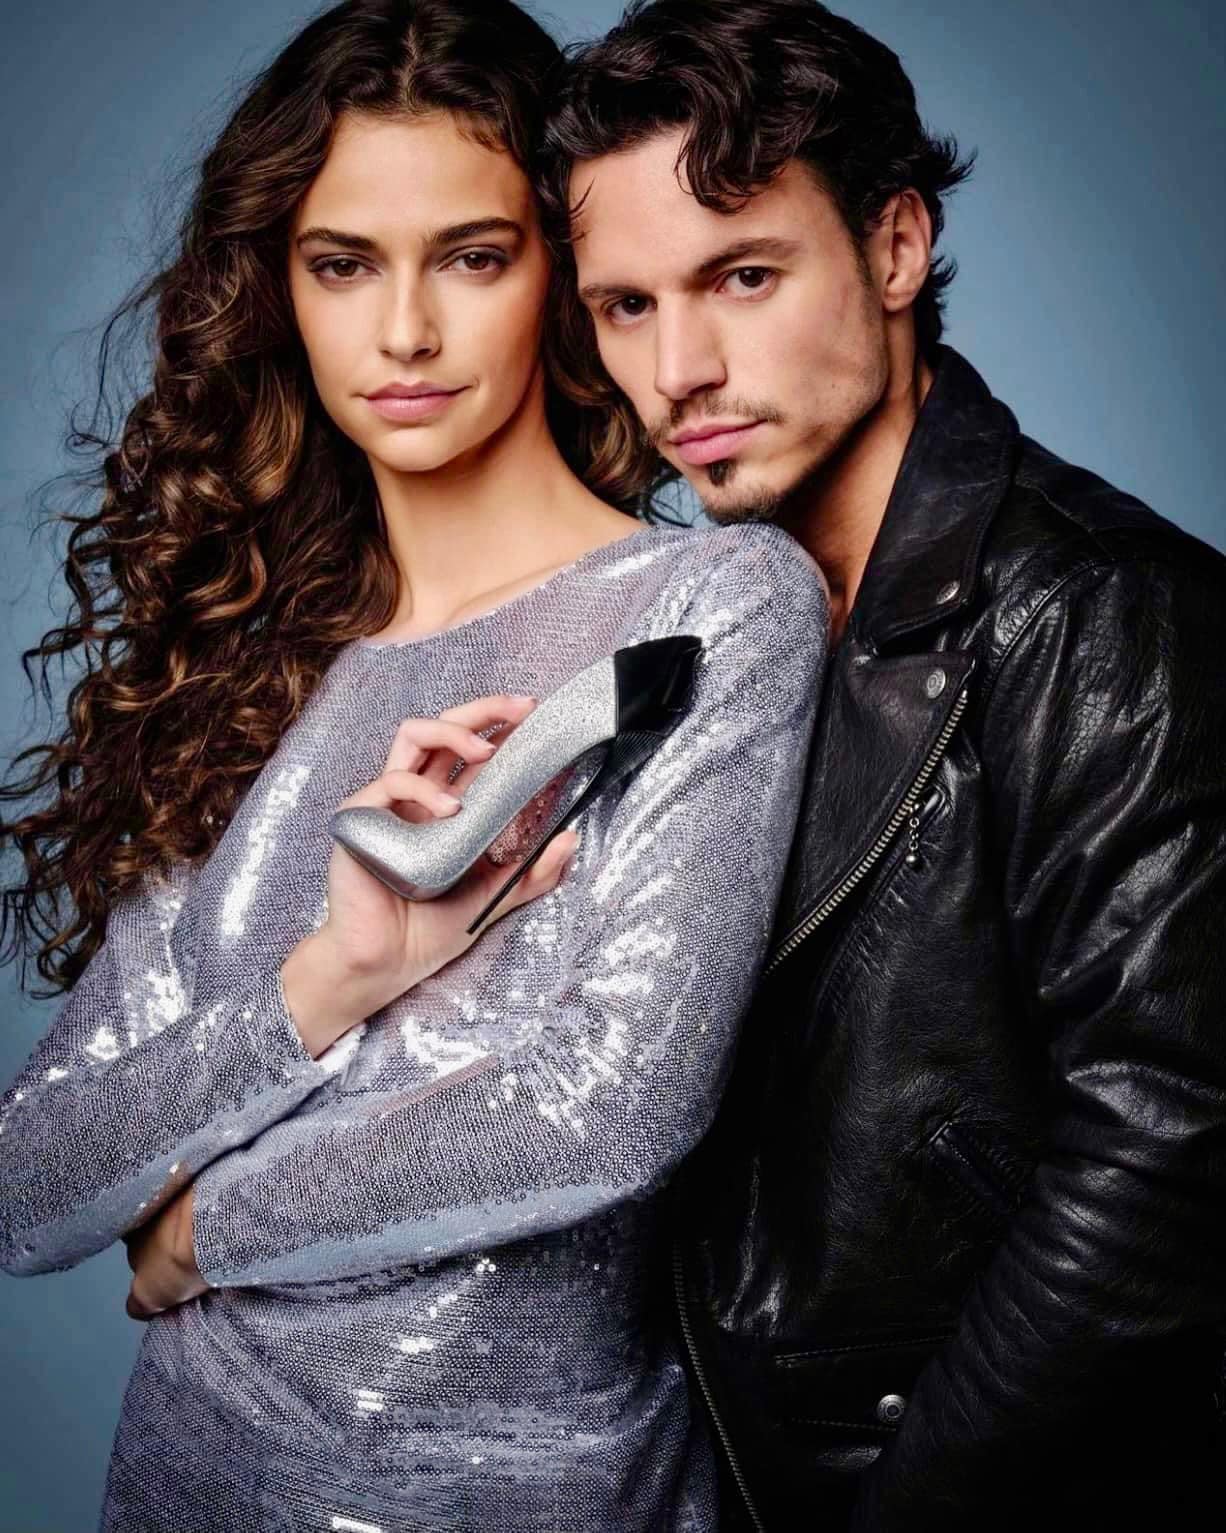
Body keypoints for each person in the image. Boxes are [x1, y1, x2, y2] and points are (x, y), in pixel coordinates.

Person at [0, 2, 829, 1529]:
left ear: (556, 273)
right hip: (182, 1479)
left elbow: (608, 1105)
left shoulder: (704, 610)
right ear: (278, 289)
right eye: (342, 264)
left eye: (470, 257)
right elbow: (28, 1182)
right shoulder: (251, 673)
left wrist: (201, 1233)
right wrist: (330, 981)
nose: (403, 334)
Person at [540, 0, 1226, 1528]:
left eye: (742, 276)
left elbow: (1172, 1155)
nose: (678, 368)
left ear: (896, 246)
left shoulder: (1097, 612)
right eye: (625, 305)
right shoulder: (708, 640)